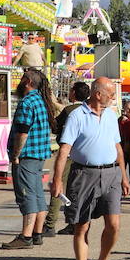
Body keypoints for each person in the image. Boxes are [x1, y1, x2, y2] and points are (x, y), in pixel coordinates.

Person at [51, 77, 129, 260]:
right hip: (84, 174)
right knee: (82, 226)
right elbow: (65, 150)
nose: (114, 97)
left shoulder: (111, 116)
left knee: (114, 225)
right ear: (98, 94)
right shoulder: (77, 116)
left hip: (111, 173)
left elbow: (118, 147)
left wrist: (123, 175)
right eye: (111, 93)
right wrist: (57, 180)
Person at [1, 68, 59, 249]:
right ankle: (37, 233)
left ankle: (25, 236)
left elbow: (22, 132)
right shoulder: (41, 101)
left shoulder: (26, 103)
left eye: (22, 79)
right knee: (37, 193)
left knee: (26, 195)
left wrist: (16, 154)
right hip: (40, 155)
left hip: (27, 155)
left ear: (28, 82)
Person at [44, 82, 90, 236]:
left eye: (71, 90)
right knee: (76, 190)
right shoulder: (90, 110)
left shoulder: (70, 110)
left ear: (74, 93)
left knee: (59, 188)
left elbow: (55, 127)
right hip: (84, 155)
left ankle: (50, 224)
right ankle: (73, 223)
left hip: (69, 154)